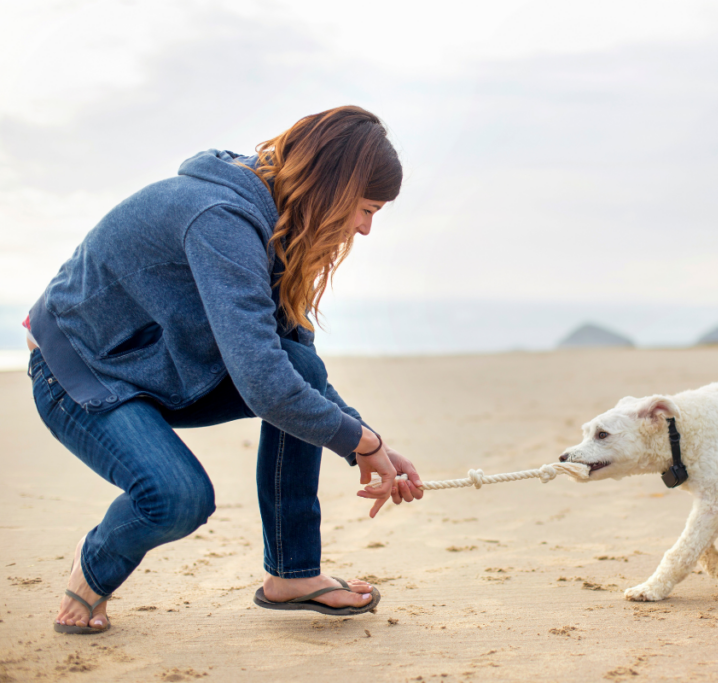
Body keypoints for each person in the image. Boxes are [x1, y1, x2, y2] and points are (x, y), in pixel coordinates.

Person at [25, 106, 423, 634]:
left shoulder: (276, 219)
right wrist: (361, 443)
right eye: (366, 208)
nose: (365, 229)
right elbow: (263, 384)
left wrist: (371, 442)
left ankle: (292, 573)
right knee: (177, 498)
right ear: (332, 185)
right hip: (78, 371)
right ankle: (92, 567)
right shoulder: (220, 217)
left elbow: (292, 366)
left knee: (299, 364)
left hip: (156, 368)